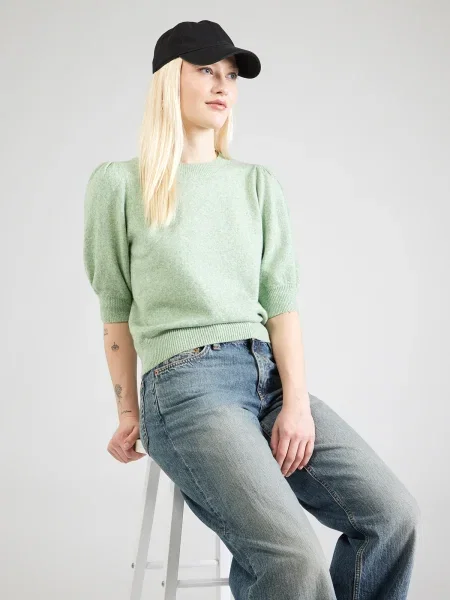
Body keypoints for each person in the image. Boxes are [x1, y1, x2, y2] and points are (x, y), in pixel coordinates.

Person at [83, 19, 420, 600]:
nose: (223, 85)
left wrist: (297, 405)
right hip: (185, 387)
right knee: (293, 560)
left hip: (268, 378)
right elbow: (116, 314)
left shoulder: (257, 185)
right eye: (206, 70)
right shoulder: (120, 184)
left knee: (392, 518)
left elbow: (281, 308)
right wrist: (127, 411)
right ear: (168, 81)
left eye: (232, 75)